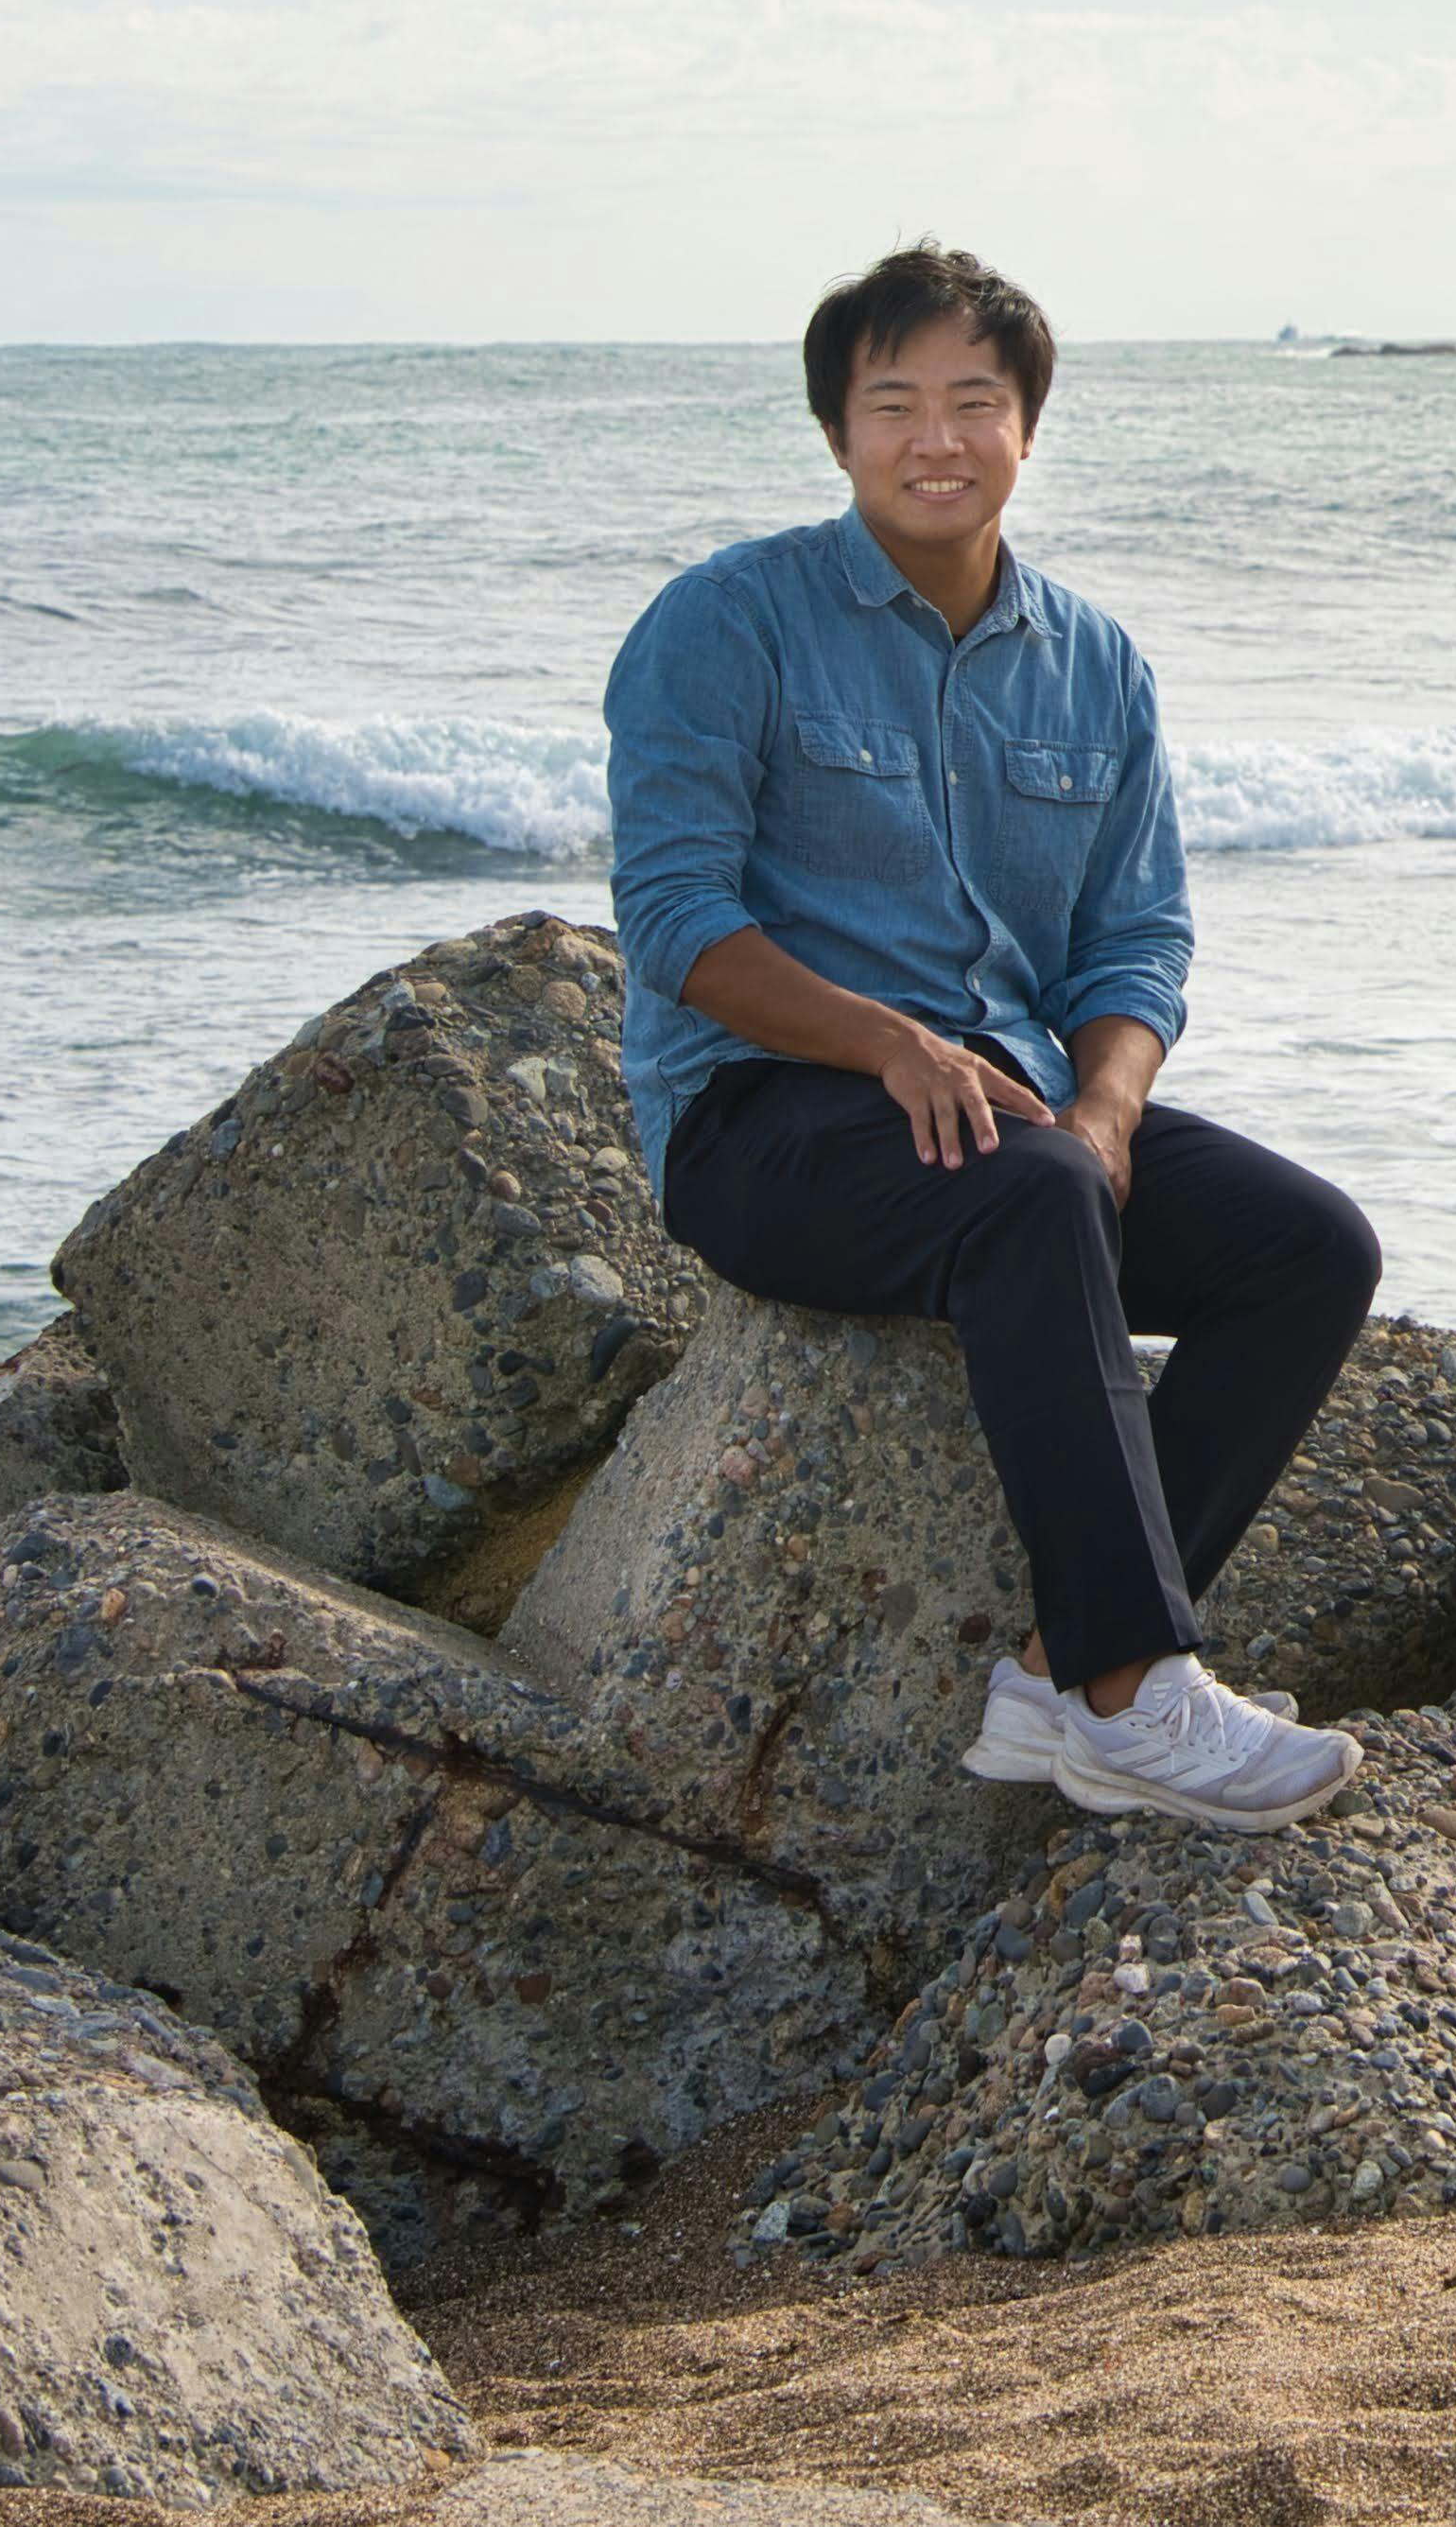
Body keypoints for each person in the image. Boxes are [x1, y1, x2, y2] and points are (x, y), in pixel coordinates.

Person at [602, 242, 1378, 1834]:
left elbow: (1137, 938)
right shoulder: (725, 620)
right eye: (894, 404)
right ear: (837, 431)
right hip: (764, 1120)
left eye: (974, 401)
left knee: (1306, 1246)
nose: (935, 439)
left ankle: (1052, 1675)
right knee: (1030, 1192)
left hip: (1014, 1113)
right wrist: (887, 1043)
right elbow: (675, 917)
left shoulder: (1096, 663)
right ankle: (1133, 1687)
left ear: (1027, 426)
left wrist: (1106, 1108)